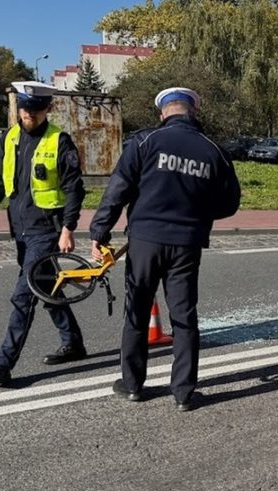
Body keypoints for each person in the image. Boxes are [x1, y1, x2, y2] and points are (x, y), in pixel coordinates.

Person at [90, 86, 241, 411]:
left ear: (163, 113)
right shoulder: (213, 149)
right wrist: (196, 213)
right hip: (186, 245)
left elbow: (118, 189)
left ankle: (132, 385)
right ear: (193, 113)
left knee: (137, 312)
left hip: (144, 241)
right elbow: (230, 203)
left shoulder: (144, 142)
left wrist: (99, 232)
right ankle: (184, 393)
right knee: (184, 317)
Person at [0, 81, 87, 385]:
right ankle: (73, 343)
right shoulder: (10, 138)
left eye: (35, 111)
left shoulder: (59, 141)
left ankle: (3, 364)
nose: (29, 116)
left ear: (48, 109)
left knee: (24, 295)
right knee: (48, 288)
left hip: (46, 230)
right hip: (20, 228)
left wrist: (68, 228)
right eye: (24, 110)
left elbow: (75, 188)